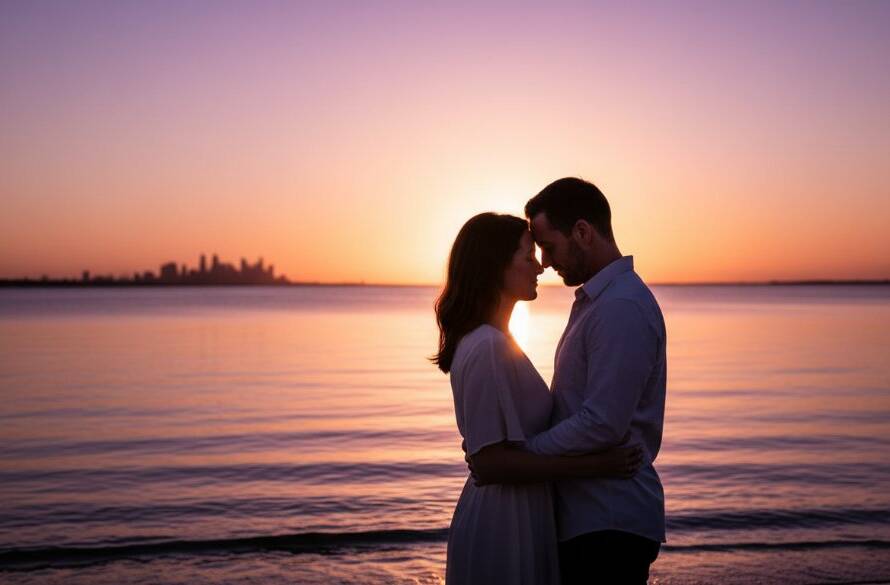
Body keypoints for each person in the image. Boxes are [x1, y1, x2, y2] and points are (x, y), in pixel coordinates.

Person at [433, 212, 643, 585]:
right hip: (503, 520)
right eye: (528, 255)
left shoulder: (495, 342)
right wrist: (598, 465)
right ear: (495, 267)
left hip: (524, 512)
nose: (540, 267)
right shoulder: (486, 347)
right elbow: (491, 464)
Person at [510, 177, 667, 584]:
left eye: (549, 246)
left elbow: (602, 422)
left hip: (608, 523)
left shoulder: (620, 307)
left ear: (582, 232)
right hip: (592, 520)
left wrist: (524, 455)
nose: (544, 261)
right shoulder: (600, 302)